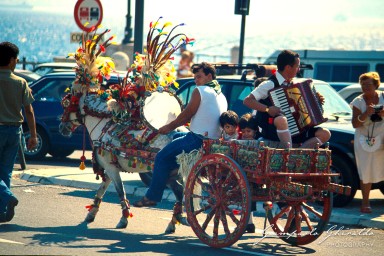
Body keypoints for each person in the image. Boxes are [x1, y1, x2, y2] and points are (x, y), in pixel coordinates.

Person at [133, 62, 228, 207]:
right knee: (175, 136)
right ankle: (171, 172)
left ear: (209, 76)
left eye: (199, 77)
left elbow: (187, 115)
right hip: (211, 141)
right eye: (195, 77)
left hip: (197, 140)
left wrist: (168, 126)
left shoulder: (200, 90)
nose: (196, 80)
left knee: (161, 157)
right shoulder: (220, 94)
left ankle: (152, 196)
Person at [243, 49, 331, 148]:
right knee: (281, 119)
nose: (299, 70)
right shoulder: (269, 84)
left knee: (325, 133)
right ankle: (289, 152)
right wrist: (267, 109)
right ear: (288, 67)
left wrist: (316, 101)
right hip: (273, 130)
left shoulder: (295, 85)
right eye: (297, 66)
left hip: (296, 130)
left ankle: (298, 154)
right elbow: (247, 100)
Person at [0, 41, 37, 223]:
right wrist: (34, 135)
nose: (16, 62)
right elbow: (29, 111)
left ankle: (7, 197)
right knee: (5, 171)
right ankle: (2, 210)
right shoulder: (21, 82)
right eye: (15, 59)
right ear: (12, 60)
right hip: (15, 131)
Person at [350, 72, 384, 214]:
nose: (365, 87)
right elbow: (355, 124)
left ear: (376, 84)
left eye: (368, 84)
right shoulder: (358, 101)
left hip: (382, 136)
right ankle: (365, 202)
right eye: (363, 85)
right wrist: (366, 113)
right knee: (366, 170)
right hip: (364, 139)